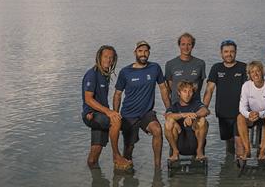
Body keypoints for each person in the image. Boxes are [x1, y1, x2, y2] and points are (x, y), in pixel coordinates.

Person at [113, 41, 170, 169]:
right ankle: (126, 169)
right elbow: (117, 94)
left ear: (149, 52)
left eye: (146, 51)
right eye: (140, 51)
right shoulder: (125, 72)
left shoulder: (155, 68)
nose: (143, 54)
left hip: (146, 113)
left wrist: (169, 110)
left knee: (157, 130)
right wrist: (115, 114)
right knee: (128, 148)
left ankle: (157, 167)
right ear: (135, 53)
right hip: (129, 114)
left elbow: (163, 89)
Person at [81, 45, 130, 169]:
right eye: (106, 57)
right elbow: (88, 99)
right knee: (116, 121)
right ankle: (116, 156)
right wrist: (109, 112)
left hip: (100, 114)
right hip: (92, 115)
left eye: (111, 58)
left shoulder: (106, 74)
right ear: (99, 57)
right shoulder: (92, 74)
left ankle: (94, 177)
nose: (108, 60)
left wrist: (108, 111)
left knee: (94, 154)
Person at [203, 39, 247, 156]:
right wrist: (204, 108)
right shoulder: (216, 68)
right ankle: (230, 169)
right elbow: (209, 89)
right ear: (221, 53)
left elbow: (249, 91)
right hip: (222, 112)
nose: (229, 54)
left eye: (232, 51)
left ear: (236, 52)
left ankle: (240, 168)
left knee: (239, 142)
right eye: (226, 51)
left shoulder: (243, 67)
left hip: (240, 113)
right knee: (229, 142)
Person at [236, 61, 265, 161]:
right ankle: (247, 150)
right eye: (252, 72)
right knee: (240, 117)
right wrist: (249, 114)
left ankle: (263, 151)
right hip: (252, 115)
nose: (255, 74)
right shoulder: (246, 85)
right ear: (249, 74)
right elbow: (242, 107)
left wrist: (260, 114)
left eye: (258, 71)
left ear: (262, 72)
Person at [164, 81, 209, 162]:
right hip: (179, 143)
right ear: (179, 93)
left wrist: (192, 116)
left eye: (190, 91)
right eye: (184, 91)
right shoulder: (175, 106)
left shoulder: (196, 104)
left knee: (202, 120)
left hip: (195, 141)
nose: (187, 94)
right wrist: (184, 115)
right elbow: (167, 116)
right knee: (169, 122)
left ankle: (199, 151)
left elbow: (205, 111)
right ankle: (175, 152)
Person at [165, 32, 207, 104]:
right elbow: (170, 88)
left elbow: (199, 87)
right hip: (176, 106)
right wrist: (169, 109)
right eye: (183, 44)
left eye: (189, 44)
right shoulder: (170, 64)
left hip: (195, 107)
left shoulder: (200, 63)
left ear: (193, 46)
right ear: (179, 45)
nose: (186, 47)